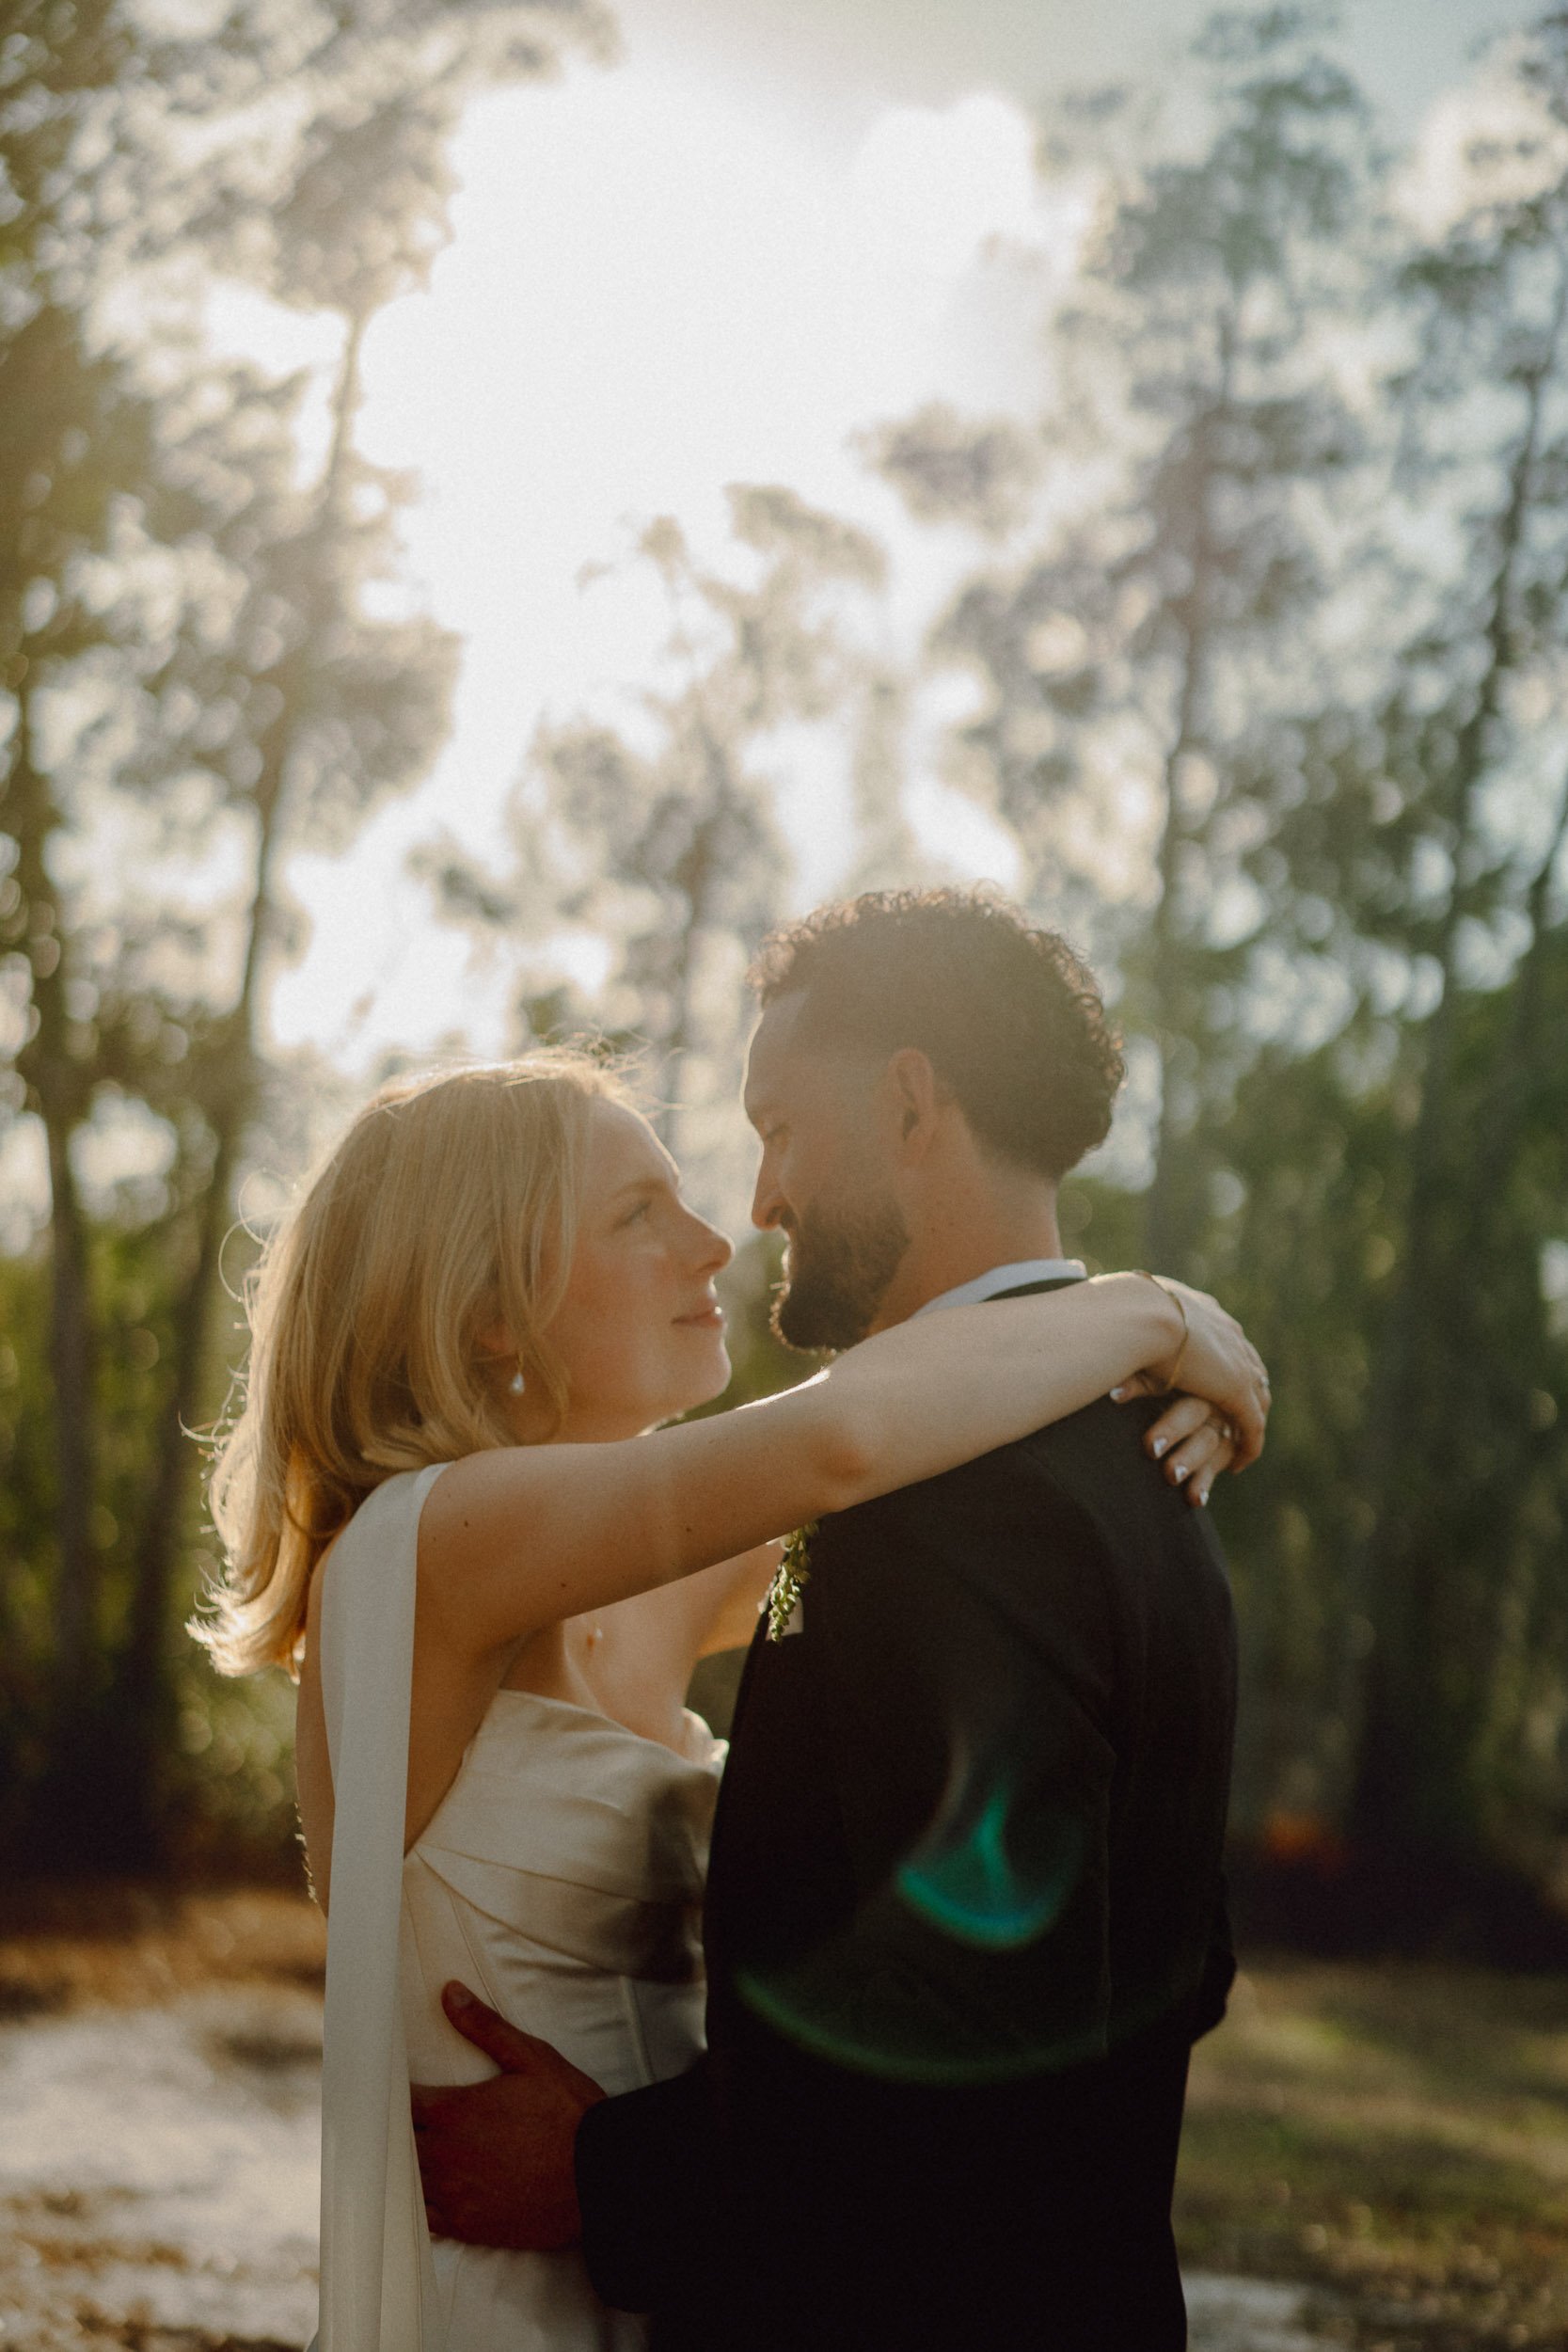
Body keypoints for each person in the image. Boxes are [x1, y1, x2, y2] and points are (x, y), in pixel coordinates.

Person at [401, 890, 1266, 2351]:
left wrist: (608, 2175)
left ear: (912, 1104)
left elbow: (968, 2034)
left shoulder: (957, 1503)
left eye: (781, 1129)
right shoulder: (1154, 1473)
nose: (760, 1202)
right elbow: (1185, 1964)